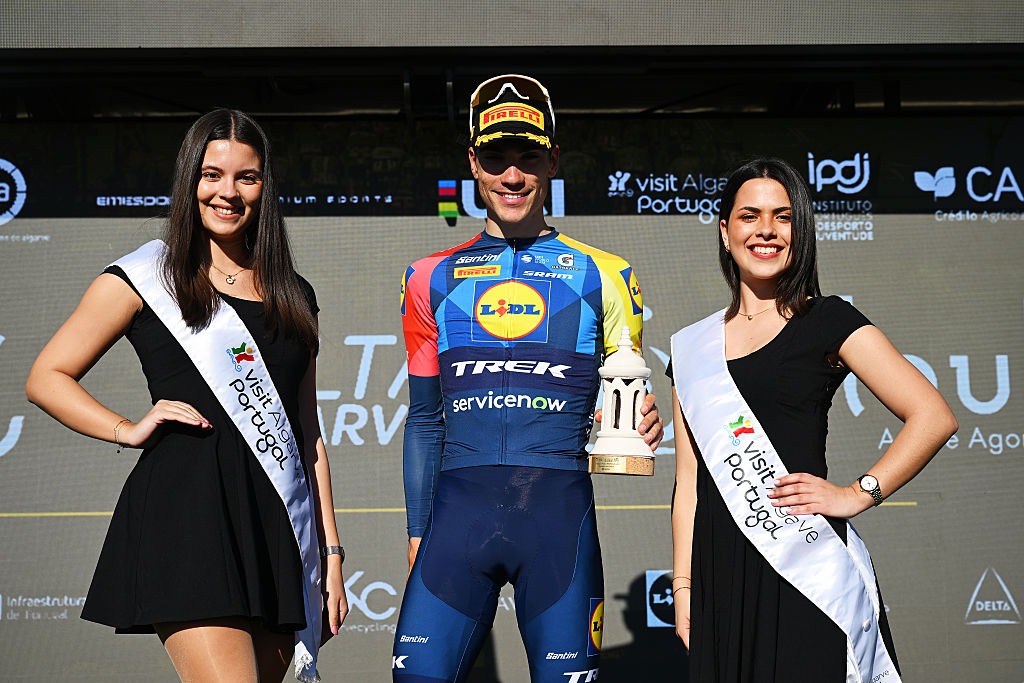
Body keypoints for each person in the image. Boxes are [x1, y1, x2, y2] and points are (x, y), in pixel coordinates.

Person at [25, 109, 347, 683]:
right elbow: (47, 376)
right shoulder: (148, 275)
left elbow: (306, 432)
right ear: (189, 181)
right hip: (189, 514)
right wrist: (127, 428)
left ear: (264, 186)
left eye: (246, 177)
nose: (228, 192)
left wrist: (330, 556)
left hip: (273, 526)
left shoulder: (294, 293)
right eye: (212, 174)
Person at [393, 74, 664, 683]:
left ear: (553, 161)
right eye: (495, 158)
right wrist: (417, 533)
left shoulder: (608, 275)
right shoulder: (429, 277)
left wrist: (642, 422)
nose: (512, 176)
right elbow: (425, 418)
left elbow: (626, 397)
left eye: (528, 157)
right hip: (455, 523)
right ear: (473, 164)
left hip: (557, 519)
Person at [668, 157, 958, 682]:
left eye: (783, 217)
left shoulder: (828, 320)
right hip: (720, 571)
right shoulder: (692, 346)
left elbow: (933, 416)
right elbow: (688, 482)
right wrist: (685, 584)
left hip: (804, 563)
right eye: (749, 216)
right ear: (725, 230)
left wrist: (856, 493)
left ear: (800, 231)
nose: (766, 231)